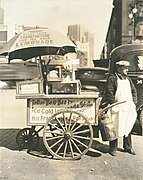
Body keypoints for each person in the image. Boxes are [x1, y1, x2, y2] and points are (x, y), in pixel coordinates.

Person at [104, 60, 137, 156]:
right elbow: (109, 93)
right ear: (119, 68)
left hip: (128, 107)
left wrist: (133, 103)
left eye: (127, 68)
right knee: (114, 127)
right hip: (117, 107)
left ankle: (128, 147)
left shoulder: (128, 79)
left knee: (128, 126)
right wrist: (114, 104)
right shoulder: (112, 78)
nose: (127, 70)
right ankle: (112, 148)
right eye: (125, 68)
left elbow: (134, 91)